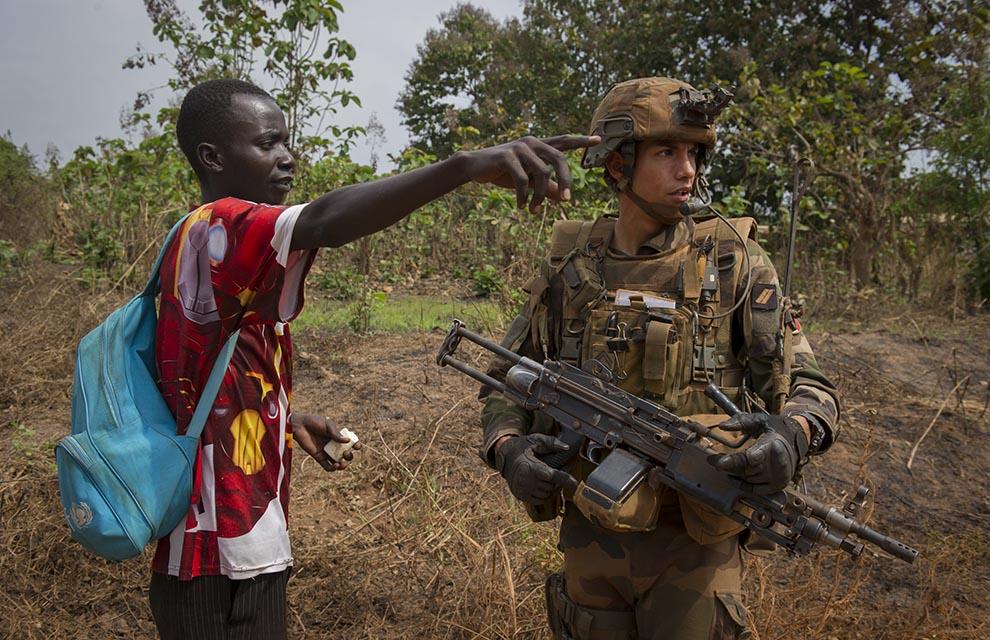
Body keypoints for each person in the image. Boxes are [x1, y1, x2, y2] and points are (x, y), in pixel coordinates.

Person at [149, 78, 598, 639]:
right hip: (211, 553)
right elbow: (325, 220)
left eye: (286, 141)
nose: (287, 157)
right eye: (267, 144)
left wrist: (284, 421)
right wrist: (463, 166)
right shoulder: (217, 227)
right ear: (212, 157)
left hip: (242, 537)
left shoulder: (220, 252)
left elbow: (208, 376)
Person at [479, 77, 840, 640]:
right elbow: (508, 377)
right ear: (618, 164)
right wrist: (508, 450)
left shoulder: (734, 263)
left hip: (697, 543)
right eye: (667, 152)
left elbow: (810, 385)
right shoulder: (573, 267)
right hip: (592, 532)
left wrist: (794, 434)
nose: (687, 171)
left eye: (694, 154)